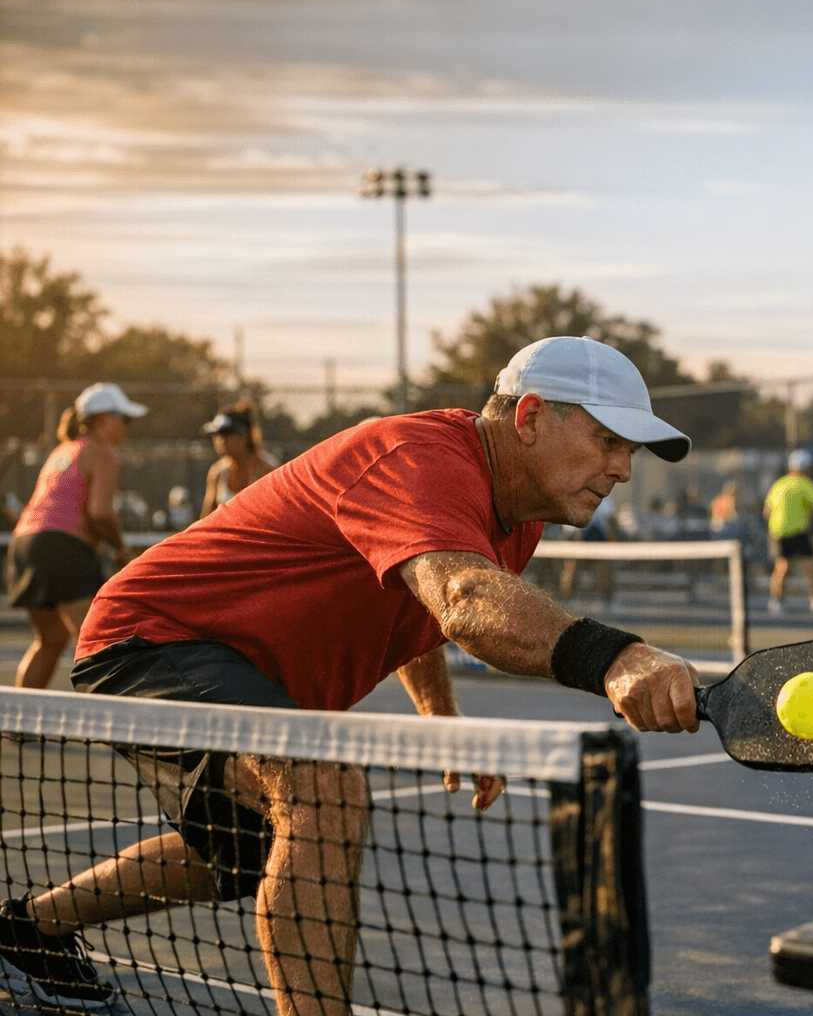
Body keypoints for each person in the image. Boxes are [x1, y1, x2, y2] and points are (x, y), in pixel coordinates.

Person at [0, 337, 699, 1014]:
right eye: (609, 442)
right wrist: (617, 656)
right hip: (154, 637)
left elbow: (417, 597)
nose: (623, 469)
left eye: (629, 451)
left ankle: (27, 929)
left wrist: (440, 716)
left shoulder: (517, 516)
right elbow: (463, 598)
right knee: (322, 789)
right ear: (531, 417)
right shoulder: (418, 457)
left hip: (228, 664)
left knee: (241, 852)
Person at [4, 383, 145, 691]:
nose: (126, 427)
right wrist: (122, 549)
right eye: (124, 418)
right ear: (103, 419)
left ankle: (16, 719)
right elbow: (100, 513)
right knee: (98, 642)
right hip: (61, 548)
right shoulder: (104, 454)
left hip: (24, 545)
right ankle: (116, 727)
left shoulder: (63, 450)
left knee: (51, 640)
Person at [763, 449, 813, 615]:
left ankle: (776, 603)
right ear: (807, 468)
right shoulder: (807, 484)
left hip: (777, 533)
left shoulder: (779, 484)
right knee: (808, 568)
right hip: (798, 532)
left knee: (782, 567)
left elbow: (766, 511)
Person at [200, 401, 278, 518]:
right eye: (218, 435)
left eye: (227, 435)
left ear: (245, 437)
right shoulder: (218, 472)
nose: (220, 441)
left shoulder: (268, 471)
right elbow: (205, 519)